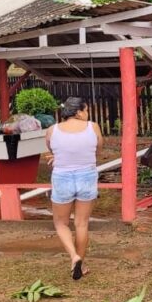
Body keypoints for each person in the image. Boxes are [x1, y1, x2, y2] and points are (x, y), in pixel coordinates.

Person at [45, 97, 103, 280]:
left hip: (62, 177)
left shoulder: (52, 130)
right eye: (86, 110)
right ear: (78, 112)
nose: (87, 114)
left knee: (61, 223)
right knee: (81, 223)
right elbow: (97, 151)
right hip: (87, 176)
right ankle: (81, 263)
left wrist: (60, 158)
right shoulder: (93, 127)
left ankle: (74, 256)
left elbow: (53, 150)